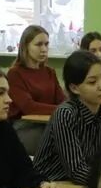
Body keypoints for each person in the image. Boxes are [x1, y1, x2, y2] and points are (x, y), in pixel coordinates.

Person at [33, 50, 101, 185]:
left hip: (86, 179)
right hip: (52, 183)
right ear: (75, 88)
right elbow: (77, 171)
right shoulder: (66, 114)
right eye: (92, 82)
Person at [7, 25, 67, 153]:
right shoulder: (15, 73)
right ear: (26, 46)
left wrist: (67, 109)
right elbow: (29, 107)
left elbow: (62, 99)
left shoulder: (50, 72)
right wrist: (63, 110)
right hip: (26, 126)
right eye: (39, 44)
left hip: (51, 123)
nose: (44, 49)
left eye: (46, 44)